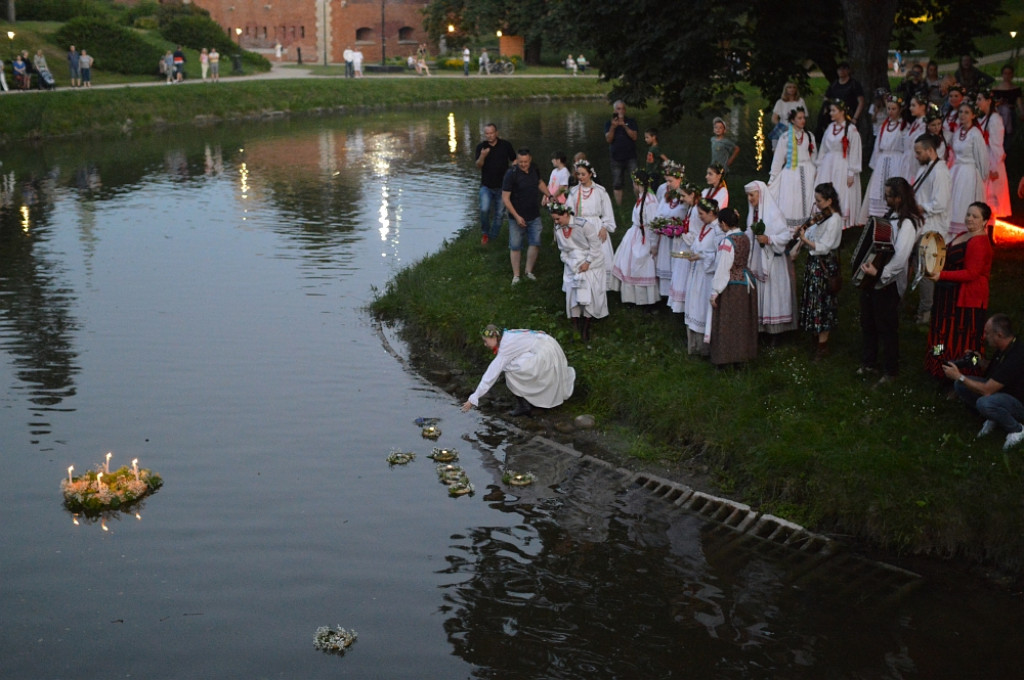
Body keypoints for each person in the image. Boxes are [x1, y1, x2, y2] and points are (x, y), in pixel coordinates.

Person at [857, 177, 920, 385]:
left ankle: (891, 370)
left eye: (889, 196)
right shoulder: (889, 216)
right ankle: (869, 363)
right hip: (873, 278)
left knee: (887, 327)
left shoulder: (908, 223)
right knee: (869, 322)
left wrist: (880, 273)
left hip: (888, 282)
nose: (885, 199)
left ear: (899, 198)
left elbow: (901, 257)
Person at [926, 202, 994, 380]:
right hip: (948, 296)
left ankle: (967, 373)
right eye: (968, 214)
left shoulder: (979, 242)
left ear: (985, 221)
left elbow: (972, 273)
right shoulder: (965, 234)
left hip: (966, 299)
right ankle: (939, 365)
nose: (969, 219)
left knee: (964, 338)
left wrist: (942, 275)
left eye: (975, 216)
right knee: (941, 332)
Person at [943, 313, 1024, 451]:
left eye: (987, 333)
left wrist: (959, 376)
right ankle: (995, 417)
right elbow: (995, 371)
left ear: (999, 335)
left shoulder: (1016, 355)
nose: (984, 337)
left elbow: (987, 390)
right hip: (1003, 394)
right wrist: (976, 360)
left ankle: (1017, 429)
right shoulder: (1005, 348)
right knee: (960, 386)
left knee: (984, 402)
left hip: (1019, 404)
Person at [462, 325, 576, 417]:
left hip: (547, 354)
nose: (485, 344)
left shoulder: (505, 347)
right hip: (548, 346)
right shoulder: (507, 335)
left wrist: (473, 398)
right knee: (513, 364)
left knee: (511, 371)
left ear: (494, 338)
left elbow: (490, 375)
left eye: (486, 341)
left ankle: (524, 405)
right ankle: (532, 399)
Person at [793, 183, 843, 359]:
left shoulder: (835, 219)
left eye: (820, 201)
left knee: (823, 303)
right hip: (814, 265)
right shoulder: (822, 217)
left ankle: (823, 346)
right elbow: (812, 233)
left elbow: (824, 246)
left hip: (824, 265)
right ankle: (815, 339)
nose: (817, 204)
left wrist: (804, 240)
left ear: (830, 200)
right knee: (813, 301)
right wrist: (800, 240)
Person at [550, 202, 608, 342]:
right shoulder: (558, 229)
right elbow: (563, 251)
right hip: (572, 262)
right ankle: (576, 323)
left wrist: (587, 262)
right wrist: (570, 263)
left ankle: (587, 325)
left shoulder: (584, 225)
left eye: (558, 219)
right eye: (554, 220)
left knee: (588, 290)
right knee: (572, 292)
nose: (556, 222)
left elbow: (595, 247)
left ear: (566, 214)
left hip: (590, 261)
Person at [746, 180, 797, 337]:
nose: (749, 198)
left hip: (773, 261)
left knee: (773, 293)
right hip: (757, 258)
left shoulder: (773, 213)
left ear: (760, 194)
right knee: (762, 292)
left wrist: (769, 239)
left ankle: (777, 332)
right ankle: (762, 329)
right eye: (747, 195)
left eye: (751, 195)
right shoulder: (753, 214)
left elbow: (785, 235)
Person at [911, 133, 953, 325]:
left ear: (930, 151)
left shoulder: (940, 172)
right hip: (923, 225)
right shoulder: (927, 168)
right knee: (920, 268)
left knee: (927, 271)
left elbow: (940, 203)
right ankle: (921, 309)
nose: (916, 156)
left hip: (934, 229)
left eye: (919, 152)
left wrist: (921, 207)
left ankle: (926, 314)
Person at [709, 207, 757, 367]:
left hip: (732, 286)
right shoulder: (744, 237)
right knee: (742, 321)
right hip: (746, 282)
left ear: (723, 223)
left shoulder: (727, 242)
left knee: (728, 322)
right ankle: (743, 356)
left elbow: (723, 268)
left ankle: (725, 358)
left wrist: (715, 291)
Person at [610, 170, 660, 306]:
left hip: (645, 237)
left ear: (637, 183)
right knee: (628, 264)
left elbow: (653, 224)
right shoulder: (642, 197)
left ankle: (648, 302)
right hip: (636, 234)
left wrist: (654, 244)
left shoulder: (650, 201)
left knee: (642, 267)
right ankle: (633, 298)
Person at [683, 197, 725, 355]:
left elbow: (720, 256)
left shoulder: (718, 231)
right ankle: (693, 344)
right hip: (697, 273)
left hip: (708, 277)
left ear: (711, 213)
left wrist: (701, 257)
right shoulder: (706, 227)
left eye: (701, 213)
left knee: (702, 308)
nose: (699, 216)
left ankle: (704, 347)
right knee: (694, 305)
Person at [567, 160, 617, 289]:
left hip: (595, 226)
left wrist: (605, 226)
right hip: (580, 226)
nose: (580, 177)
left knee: (598, 253)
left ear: (590, 174)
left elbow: (607, 211)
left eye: (583, 174)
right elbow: (569, 211)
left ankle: (600, 286)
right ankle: (583, 283)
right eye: (578, 174)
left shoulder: (600, 191)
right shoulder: (574, 192)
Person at [501, 148, 549, 284]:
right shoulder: (511, 174)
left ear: (530, 159)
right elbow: (505, 198)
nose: (523, 164)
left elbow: (540, 182)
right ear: (517, 160)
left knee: (535, 242)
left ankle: (529, 271)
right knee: (515, 245)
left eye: (526, 162)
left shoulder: (534, 168)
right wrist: (516, 216)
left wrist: (549, 194)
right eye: (521, 162)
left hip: (534, 214)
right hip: (516, 216)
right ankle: (516, 276)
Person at [816, 99, 862, 227]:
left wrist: (851, 172)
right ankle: (825, 220)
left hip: (842, 165)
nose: (830, 113)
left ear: (841, 112)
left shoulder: (851, 129)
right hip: (828, 165)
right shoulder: (830, 128)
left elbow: (855, 151)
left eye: (833, 110)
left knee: (840, 191)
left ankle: (840, 225)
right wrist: (819, 166)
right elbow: (823, 149)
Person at [859, 95, 905, 224]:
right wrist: (875, 165)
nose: (890, 112)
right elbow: (877, 147)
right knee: (878, 189)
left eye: (894, 109)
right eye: (889, 108)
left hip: (896, 161)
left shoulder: (903, 126)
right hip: (882, 160)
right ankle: (877, 220)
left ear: (900, 110)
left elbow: (906, 148)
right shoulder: (884, 126)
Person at [769, 107, 817, 228]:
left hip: (807, 171)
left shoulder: (809, 136)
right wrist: (772, 178)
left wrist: (816, 170)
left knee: (806, 199)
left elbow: (814, 156)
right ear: (792, 120)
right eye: (799, 118)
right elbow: (778, 159)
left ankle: (807, 228)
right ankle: (791, 230)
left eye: (803, 118)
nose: (803, 120)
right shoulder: (785, 137)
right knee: (791, 200)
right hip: (791, 172)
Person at [948, 101, 989, 238]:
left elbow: (982, 157)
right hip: (956, 171)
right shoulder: (958, 132)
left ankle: (968, 235)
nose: (963, 115)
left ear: (973, 115)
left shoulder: (975, 134)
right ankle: (952, 236)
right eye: (960, 112)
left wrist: (981, 177)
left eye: (966, 112)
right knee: (954, 202)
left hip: (969, 174)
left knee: (964, 201)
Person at [474, 123, 516, 245]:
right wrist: (482, 156)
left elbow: (514, 159)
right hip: (486, 186)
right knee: (484, 209)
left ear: (496, 133)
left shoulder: (505, 145)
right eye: (487, 134)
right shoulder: (481, 147)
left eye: (491, 133)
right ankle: (485, 233)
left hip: (503, 187)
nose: (489, 136)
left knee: (499, 214)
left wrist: (513, 169)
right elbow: (478, 165)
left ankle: (493, 238)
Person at [656, 161, 689, 299]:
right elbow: (659, 213)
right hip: (666, 239)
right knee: (666, 265)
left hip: (680, 240)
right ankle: (666, 297)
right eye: (666, 181)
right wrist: (661, 225)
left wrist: (677, 228)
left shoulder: (686, 197)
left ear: (679, 179)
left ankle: (678, 297)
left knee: (678, 267)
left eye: (670, 181)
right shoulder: (667, 196)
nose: (667, 184)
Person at [975, 90, 1011, 219]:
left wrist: (994, 168)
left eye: (980, 99)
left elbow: (997, 145)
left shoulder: (995, 119)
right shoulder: (983, 118)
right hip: (983, 157)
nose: (977, 102)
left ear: (988, 101)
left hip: (991, 160)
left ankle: (990, 231)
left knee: (991, 197)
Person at [667, 181, 701, 314]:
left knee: (685, 278)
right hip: (685, 246)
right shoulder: (691, 208)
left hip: (691, 248)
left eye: (683, 196)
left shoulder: (698, 211)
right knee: (680, 275)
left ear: (692, 195)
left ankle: (686, 307)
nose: (681, 199)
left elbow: (696, 234)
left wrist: (682, 233)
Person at [604, 100, 639, 205]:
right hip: (616, 157)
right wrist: (613, 127)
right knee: (617, 183)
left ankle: (639, 203)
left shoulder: (631, 122)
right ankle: (619, 207)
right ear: (614, 110)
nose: (621, 111)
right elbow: (608, 139)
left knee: (636, 180)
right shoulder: (609, 123)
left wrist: (624, 125)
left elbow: (634, 137)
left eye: (623, 108)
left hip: (630, 156)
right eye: (618, 109)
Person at [818, 62, 865, 140]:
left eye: (844, 69)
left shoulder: (854, 84)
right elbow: (827, 99)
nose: (841, 71)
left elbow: (861, 102)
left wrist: (855, 118)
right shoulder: (834, 85)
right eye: (839, 69)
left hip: (850, 115)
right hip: (835, 117)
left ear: (848, 71)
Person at [770, 81, 807, 151]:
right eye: (789, 87)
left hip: (797, 130)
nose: (792, 89)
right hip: (783, 129)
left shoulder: (800, 101)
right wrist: (783, 127)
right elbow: (774, 118)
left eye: (793, 87)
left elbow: (804, 116)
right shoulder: (780, 102)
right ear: (786, 89)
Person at [900, 95, 928, 180]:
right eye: (910, 105)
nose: (910, 108)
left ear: (922, 107)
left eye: (913, 105)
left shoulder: (925, 124)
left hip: (916, 161)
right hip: (908, 161)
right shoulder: (914, 123)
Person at [993, 65, 1023, 135]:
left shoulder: (1016, 89)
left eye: (1009, 73)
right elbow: (992, 103)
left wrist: (1022, 112)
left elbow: (1019, 103)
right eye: (1005, 73)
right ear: (1002, 74)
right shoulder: (996, 89)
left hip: (1011, 112)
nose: (1007, 76)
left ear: (1012, 75)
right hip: (999, 112)